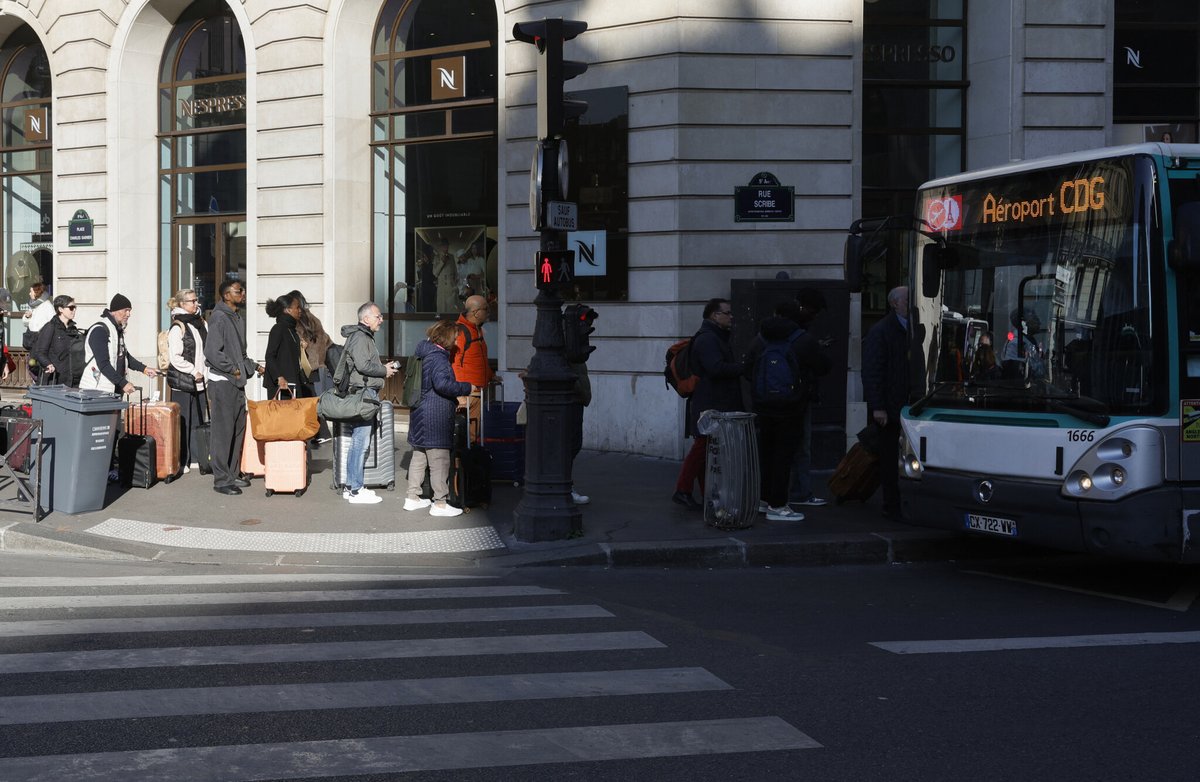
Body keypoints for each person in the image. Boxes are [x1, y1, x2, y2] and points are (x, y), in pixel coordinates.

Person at [747, 300, 831, 522]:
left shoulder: (761, 339)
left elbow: (748, 369)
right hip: (792, 406)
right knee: (785, 455)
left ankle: (764, 500)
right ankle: (778, 505)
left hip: (764, 406)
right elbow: (824, 366)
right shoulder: (802, 340)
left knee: (767, 453)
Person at [672, 298, 744, 510]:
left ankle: (707, 495)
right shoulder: (708, 339)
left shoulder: (714, 337)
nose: (731, 317)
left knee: (707, 449)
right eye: (727, 313)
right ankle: (683, 489)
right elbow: (715, 368)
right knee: (703, 446)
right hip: (710, 403)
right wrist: (742, 367)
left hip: (713, 401)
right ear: (714, 315)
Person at [406, 319, 471, 517]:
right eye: (455, 338)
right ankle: (440, 503)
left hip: (420, 411)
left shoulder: (423, 352)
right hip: (435, 414)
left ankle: (412, 498)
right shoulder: (439, 358)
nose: (457, 342)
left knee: (419, 455)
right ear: (447, 339)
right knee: (439, 459)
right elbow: (443, 384)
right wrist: (466, 387)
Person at [203, 280, 262, 496]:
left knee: (237, 429)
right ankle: (221, 480)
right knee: (222, 432)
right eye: (239, 291)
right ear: (227, 295)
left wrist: (253, 366)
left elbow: (240, 353)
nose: (243, 293)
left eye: (243, 290)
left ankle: (233, 472)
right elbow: (212, 352)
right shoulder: (219, 317)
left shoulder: (237, 317)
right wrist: (233, 370)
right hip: (222, 383)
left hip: (236, 382)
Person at [339, 301, 397, 504]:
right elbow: (363, 365)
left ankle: (351, 487)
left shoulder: (362, 337)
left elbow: (362, 364)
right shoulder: (361, 337)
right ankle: (355, 489)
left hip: (363, 393)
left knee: (358, 442)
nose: (381, 319)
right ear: (365, 319)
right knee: (360, 443)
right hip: (364, 394)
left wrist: (381, 367)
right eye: (378, 316)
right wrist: (383, 370)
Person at [862, 285, 910, 519]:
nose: (910, 304)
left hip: (906, 405)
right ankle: (892, 505)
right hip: (890, 407)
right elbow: (872, 370)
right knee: (890, 458)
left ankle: (902, 503)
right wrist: (878, 406)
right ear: (895, 303)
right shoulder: (881, 331)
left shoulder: (912, 329)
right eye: (907, 300)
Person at [787, 288, 831, 510]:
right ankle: (800, 491)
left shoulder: (775, 333)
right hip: (800, 397)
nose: (815, 317)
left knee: (786, 446)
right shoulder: (803, 337)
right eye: (813, 312)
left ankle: (781, 492)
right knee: (802, 446)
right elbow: (823, 365)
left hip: (780, 398)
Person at [80, 293, 159, 394]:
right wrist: (123, 383)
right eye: (125, 310)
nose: (128, 314)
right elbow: (103, 364)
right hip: (96, 390)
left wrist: (144, 369)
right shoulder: (100, 330)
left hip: (113, 389)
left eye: (129, 311)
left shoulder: (116, 329)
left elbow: (124, 356)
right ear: (114, 311)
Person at [165, 288, 208, 472]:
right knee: (183, 422)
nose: (196, 303)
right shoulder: (178, 326)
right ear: (182, 304)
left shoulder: (201, 323)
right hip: (184, 381)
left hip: (200, 380)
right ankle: (182, 460)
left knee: (198, 419)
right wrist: (193, 370)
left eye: (196, 300)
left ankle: (198, 457)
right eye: (192, 301)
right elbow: (175, 357)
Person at [289, 289, 333, 443]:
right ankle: (321, 433)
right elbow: (327, 341)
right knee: (313, 400)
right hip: (317, 365)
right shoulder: (313, 319)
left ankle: (320, 433)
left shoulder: (298, 321)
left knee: (308, 401)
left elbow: (297, 342)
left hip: (306, 367)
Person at [452, 294, 496, 443]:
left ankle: (467, 464)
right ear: (476, 312)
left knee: (471, 436)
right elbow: (454, 363)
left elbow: (479, 358)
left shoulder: (477, 330)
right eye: (486, 309)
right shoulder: (461, 332)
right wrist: (459, 394)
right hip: (466, 394)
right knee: (462, 436)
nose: (488, 312)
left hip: (477, 392)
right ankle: (458, 465)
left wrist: (490, 375)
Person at [31, 294, 83, 387]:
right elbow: (40, 351)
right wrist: (48, 364)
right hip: (54, 381)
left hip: (72, 381)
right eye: (71, 308)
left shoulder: (73, 329)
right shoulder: (50, 327)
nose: (74, 310)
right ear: (60, 309)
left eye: (75, 307)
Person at [263, 293, 306, 400]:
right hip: (282, 385)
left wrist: (302, 348)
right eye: (297, 307)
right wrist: (279, 377)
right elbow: (270, 356)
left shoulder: (291, 330)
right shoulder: (278, 328)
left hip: (292, 383)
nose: (300, 310)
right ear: (287, 310)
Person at [568, 359, 591, 505]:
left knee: (574, 444)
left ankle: (566, 486)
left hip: (577, 398)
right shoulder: (564, 345)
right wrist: (579, 389)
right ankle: (566, 487)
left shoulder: (575, 348)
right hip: (572, 398)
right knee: (569, 446)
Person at [1001, 307, 1046, 380]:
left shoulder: (1031, 341)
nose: (1039, 323)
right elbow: (1017, 374)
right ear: (1023, 323)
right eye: (1034, 320)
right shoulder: (1015, 344)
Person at [434, 237, 459, 313]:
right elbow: (435, 273)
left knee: (451, 309)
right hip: (442, 289)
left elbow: (455, 271)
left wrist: (454, 285)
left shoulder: (451, 257)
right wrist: (442, 262)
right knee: (442, 309)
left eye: (447, 245)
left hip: (451, 288)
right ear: (440, 247)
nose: (446, 247)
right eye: (444, 246)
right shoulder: (437, 257)